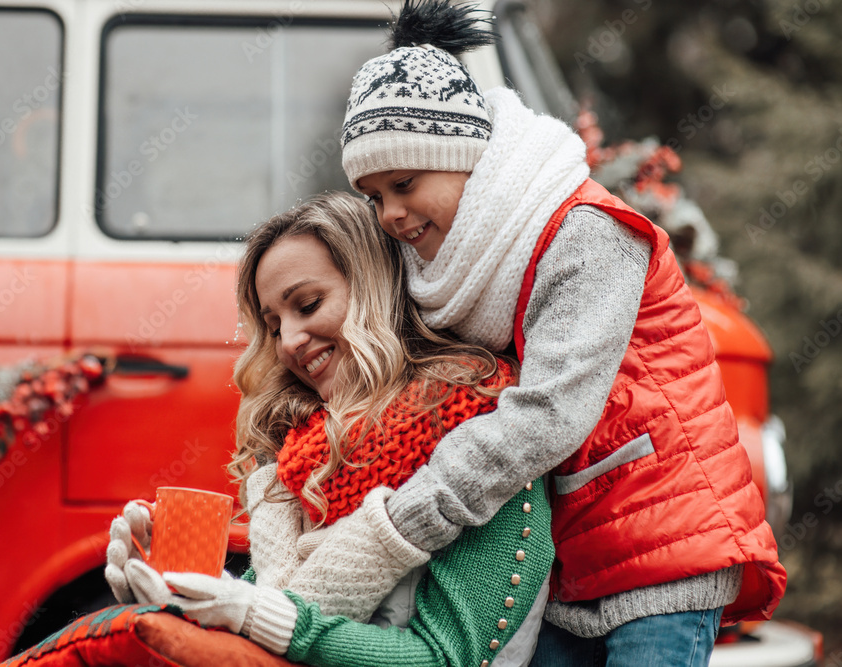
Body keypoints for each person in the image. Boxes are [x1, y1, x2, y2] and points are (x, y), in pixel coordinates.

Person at [268, 2, 787, 666]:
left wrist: (405, 518)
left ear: (462, 160)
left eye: (404, 183)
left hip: (664, 543)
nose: (391, 214)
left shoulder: (588, 234)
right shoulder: (456, 268)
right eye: (372, 196)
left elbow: (548, 413)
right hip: (575, 552)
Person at [105, 191, 554, 667]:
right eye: (274, 326)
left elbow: (441, 657)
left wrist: (253, 614)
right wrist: (179, 591)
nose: (290, 342)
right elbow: (270, 618)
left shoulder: (485, 435)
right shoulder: (297, 459)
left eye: (309, 303)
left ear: (374, 286)